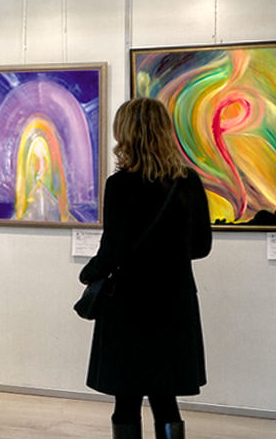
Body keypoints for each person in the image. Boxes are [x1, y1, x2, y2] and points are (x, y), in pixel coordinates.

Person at [79, 98, 212, 439]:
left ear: (127, 134)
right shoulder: (189, 181)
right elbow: (202, 247)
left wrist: (88, 273)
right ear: (164, 131)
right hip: (175, 300)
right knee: (166, 399)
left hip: (129, 303)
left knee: (126, 398)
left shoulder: (120, 184)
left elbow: (111, 252)